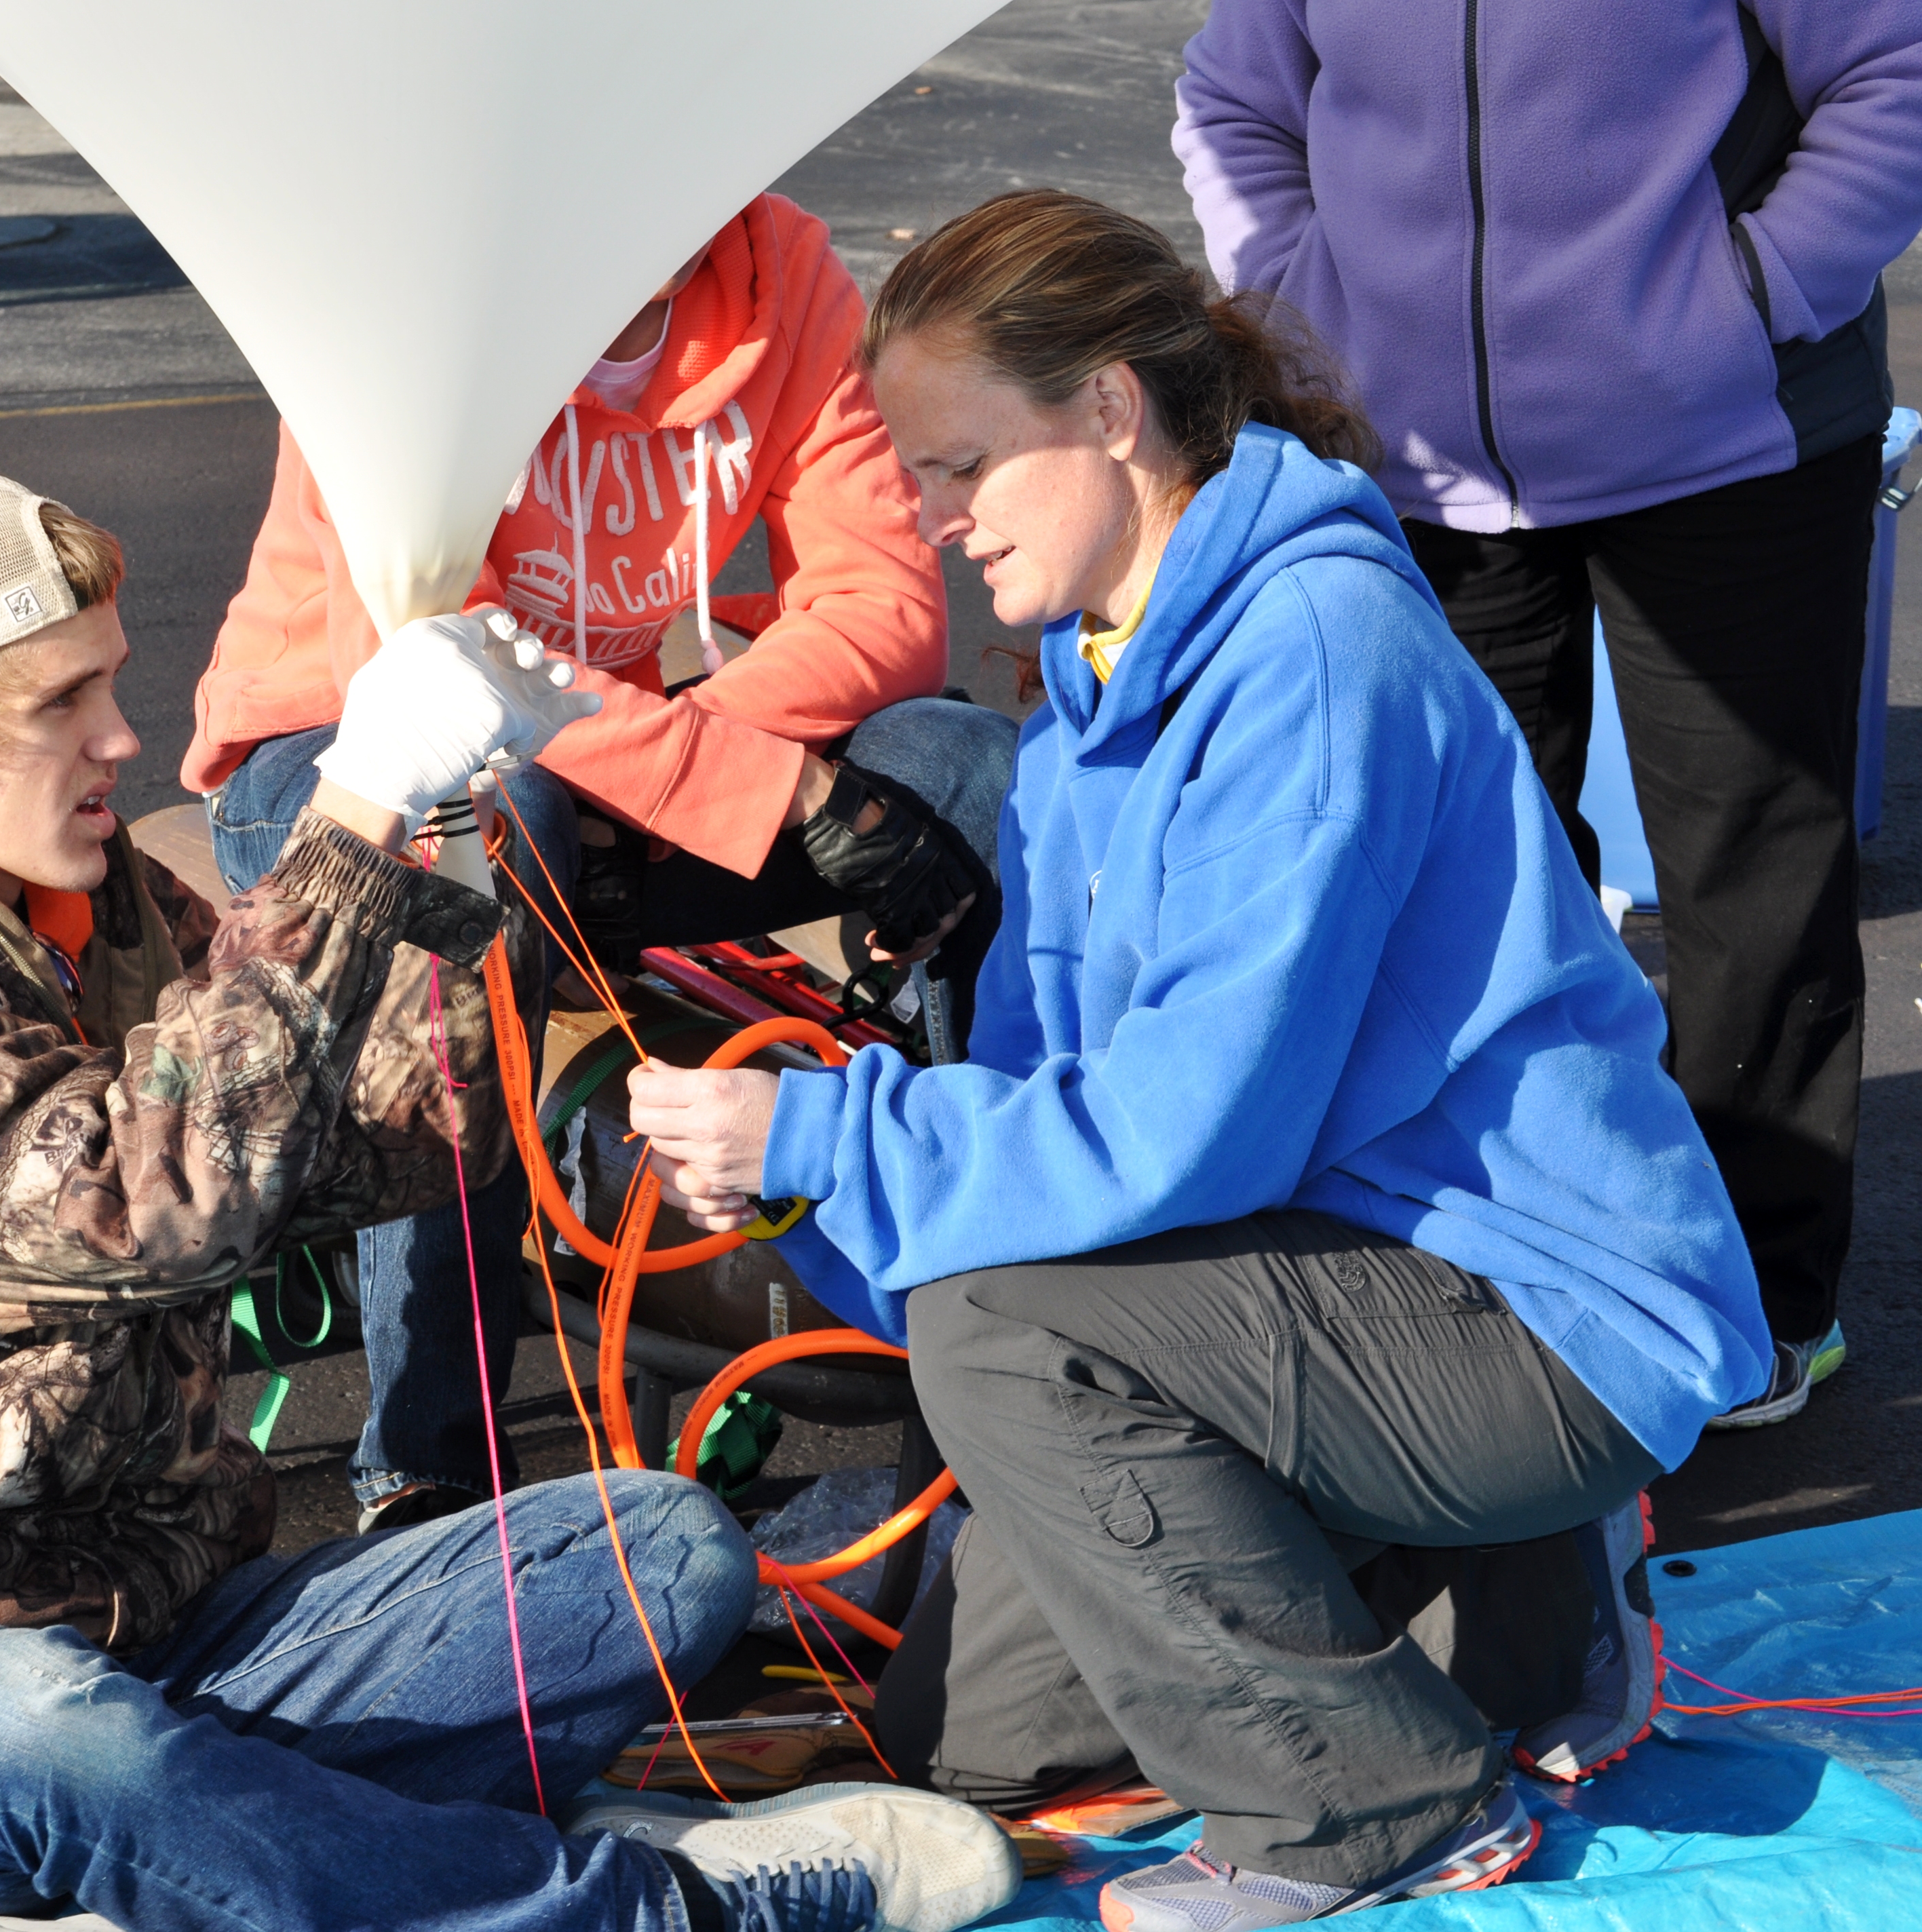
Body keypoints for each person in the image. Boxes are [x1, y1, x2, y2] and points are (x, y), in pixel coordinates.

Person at [0, 469, 1018, 1932]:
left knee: (657, 1552)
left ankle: (243, 1875)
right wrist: (345, 816)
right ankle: (647, 1908)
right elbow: (151, 1198)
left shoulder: (92, 911)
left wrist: (490, 827)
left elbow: (398, 1141)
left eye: (110, 681)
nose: (123, 739)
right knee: (47, 1733)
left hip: (170, 1638)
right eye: (63, 704)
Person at [626, 194, 1771, 1931]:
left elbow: (1185, 1133)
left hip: (1537, 1310)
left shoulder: (1315, 648)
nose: (929, 526)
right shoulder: (1093, 681)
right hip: (1356, 1273)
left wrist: (827, 1133)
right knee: (967, 1749)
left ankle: (1379, 1798)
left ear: (1106, 410)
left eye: (959, 469)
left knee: (997, 1334)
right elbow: (1042, 1115)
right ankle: (1529, 1601)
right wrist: (817, 1183)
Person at [185, 191, 1020, 1531]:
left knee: (963, 770)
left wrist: (690, 763)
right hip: (350, 762)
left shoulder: (785, 263)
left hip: (625, 762)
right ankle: (422, 1474)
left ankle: (992, 1382)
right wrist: (736, 780)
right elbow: (419, 674)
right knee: (491, 828)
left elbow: (883, 609)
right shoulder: (408, 296)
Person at [1172, 0, 1922, 1425]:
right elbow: (1233, 96)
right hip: (1419, 459)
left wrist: (1747, 294)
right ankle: (1521, 1257)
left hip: (1731, 438)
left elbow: (1890, 68)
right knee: (1461, 893)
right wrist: (1296, 294)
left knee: (1749, 878)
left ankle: (1763, 1299)